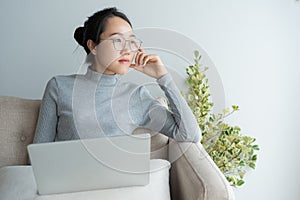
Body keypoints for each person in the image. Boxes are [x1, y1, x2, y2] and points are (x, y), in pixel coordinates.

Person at [33, 7, 201, 144]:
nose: (127, 50)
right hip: (68, 181)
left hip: (117, 184)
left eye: (131, 41)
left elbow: (190, 136)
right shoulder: (59, 86)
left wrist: (163, 77)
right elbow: (39, 151)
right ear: (93, 46)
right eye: (118, 40)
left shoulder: (137, 96)